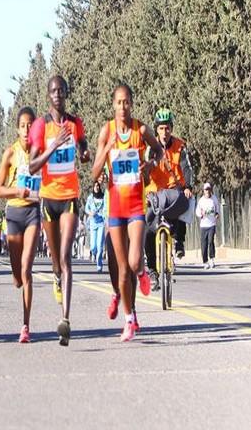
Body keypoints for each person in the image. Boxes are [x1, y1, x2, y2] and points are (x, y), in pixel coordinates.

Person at [91, 83, 161, 342]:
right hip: (115, 209)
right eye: (119, 102)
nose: (123, 107)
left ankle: (142, 273)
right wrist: (107, 150)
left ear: (132, 103)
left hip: (135, 206)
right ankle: (129, 319)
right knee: (121, 270)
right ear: (113, 105)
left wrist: (150, 165)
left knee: (133, 262)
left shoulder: (140, 130)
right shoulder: (106, 131)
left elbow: (159, 151)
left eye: (127, 102)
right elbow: (95, 173)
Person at [27, 75, 90, 346]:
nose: (57, 95)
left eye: (61, 91)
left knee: (66, 257)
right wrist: (53, 145)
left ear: (66, 94)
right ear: (48, 94)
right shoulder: (41, 126)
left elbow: (83, 146)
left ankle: (65, 320)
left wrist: (84, 153)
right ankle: (55, 275)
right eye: (53, 91)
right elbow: (31, 166)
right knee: (55, 260)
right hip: (48, 198)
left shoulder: (76, 123)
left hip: (70, 196)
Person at [0, 106, 41, 343]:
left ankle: (25, 325)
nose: (26, 129)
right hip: (13, 214)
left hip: (33, 213)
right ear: (17, 128)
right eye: (22, 125)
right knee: (16, 276)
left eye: (30, 124)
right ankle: (16, 276)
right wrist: (17, 190)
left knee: (26, 270)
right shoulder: (10, 154)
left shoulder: (40, 152)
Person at [143, 108, 193, 288]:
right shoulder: (150, 148)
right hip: (154, 193)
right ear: (156, 129)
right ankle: (152, 271)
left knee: (184, 203)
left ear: (172, 129)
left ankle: (179, 241)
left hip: (173, 190)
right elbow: (144, 169)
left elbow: (187, 168)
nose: (165, 132)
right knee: (148, 231)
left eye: (168, 128)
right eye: (162, 128)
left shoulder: (180, 146)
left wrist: (187, 186)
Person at [195, 183, 220, 269]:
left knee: (210, 241)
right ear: (204, 191)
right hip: (203, 225)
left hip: (212, 224)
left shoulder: (214, 199)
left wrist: (217, 214)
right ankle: (205, 261)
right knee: (204, 244)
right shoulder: (201, 200)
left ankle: (212, 259)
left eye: (209, 189)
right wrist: (201, 214)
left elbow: (217, 207)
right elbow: (197, 211)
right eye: (206, 189)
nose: (207, 191)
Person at [85, 181, 106, 272]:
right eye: (95, 186)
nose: (96, 187)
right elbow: (86, 208)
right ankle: (93, 253)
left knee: (100, 246)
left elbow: (106, 208)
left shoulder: (103, 197)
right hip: (93, 223)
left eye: (98, 186)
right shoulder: (90, 198)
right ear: (93, 187)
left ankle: (99, 265)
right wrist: (90, 213)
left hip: (101, 223)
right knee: (93, 246)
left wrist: (105, 216)